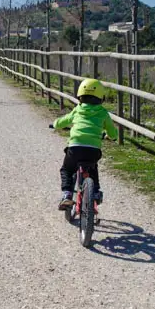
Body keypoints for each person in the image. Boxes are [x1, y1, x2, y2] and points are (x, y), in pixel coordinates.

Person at [51, 78, 117, 210]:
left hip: (75, 147)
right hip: (93, 149)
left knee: (67, 170)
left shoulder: (77, 110)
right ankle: (96, 192)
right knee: (92, 167)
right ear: (101, 97)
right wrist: (112, 137)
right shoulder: (103, 113)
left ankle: (67, 195)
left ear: (80, 96)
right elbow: (112, 132)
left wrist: (54, 124)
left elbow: (63, 121)